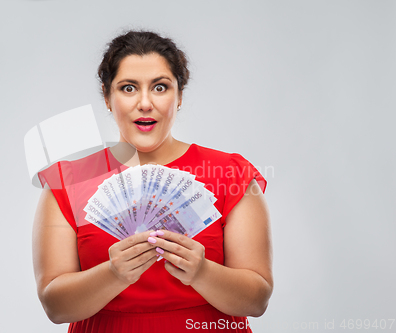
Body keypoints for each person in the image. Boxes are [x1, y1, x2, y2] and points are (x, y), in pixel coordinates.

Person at [32, 30, 273, 332]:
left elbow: (257, 301)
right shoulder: (66, 182)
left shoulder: (232, 174)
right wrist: (113, 274)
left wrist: (201, 271)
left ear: (179, 96)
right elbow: (55, 306)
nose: (145, 103)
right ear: (107, 97)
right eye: (128, 88)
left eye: (160, 87)